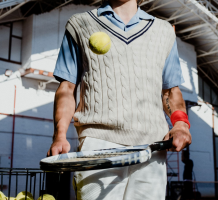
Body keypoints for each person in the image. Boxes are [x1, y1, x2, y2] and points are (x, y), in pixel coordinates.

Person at [47, 0, 192, 199]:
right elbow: (67, 88)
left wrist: (181, 125)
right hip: (97, 146)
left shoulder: (164, 31)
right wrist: (60, 135)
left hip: (152, 148)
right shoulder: (79, 24)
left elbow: (170, 91)